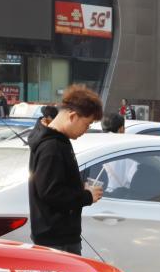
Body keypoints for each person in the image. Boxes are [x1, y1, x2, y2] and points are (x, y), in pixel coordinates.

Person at [27, 84, 105, 253]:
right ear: (73, 116)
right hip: (57, 240)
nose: (86, 130)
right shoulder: (52, 147)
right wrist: (86, 196)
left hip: (57, 236)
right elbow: (51, 192)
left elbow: (54, 184)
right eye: (87, 124)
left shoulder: (55, 140)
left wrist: (79, 188)